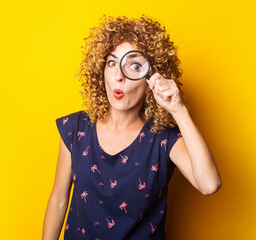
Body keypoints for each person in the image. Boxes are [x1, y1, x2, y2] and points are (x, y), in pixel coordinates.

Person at [42, 15, 221, 240]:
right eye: (112, 63)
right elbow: (59, 199)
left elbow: (209, 184)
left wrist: (178, 109)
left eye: (134, 66)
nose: (118, 76)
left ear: (152, 77)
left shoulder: (163, 139)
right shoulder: (75, 129)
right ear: (101, 69)